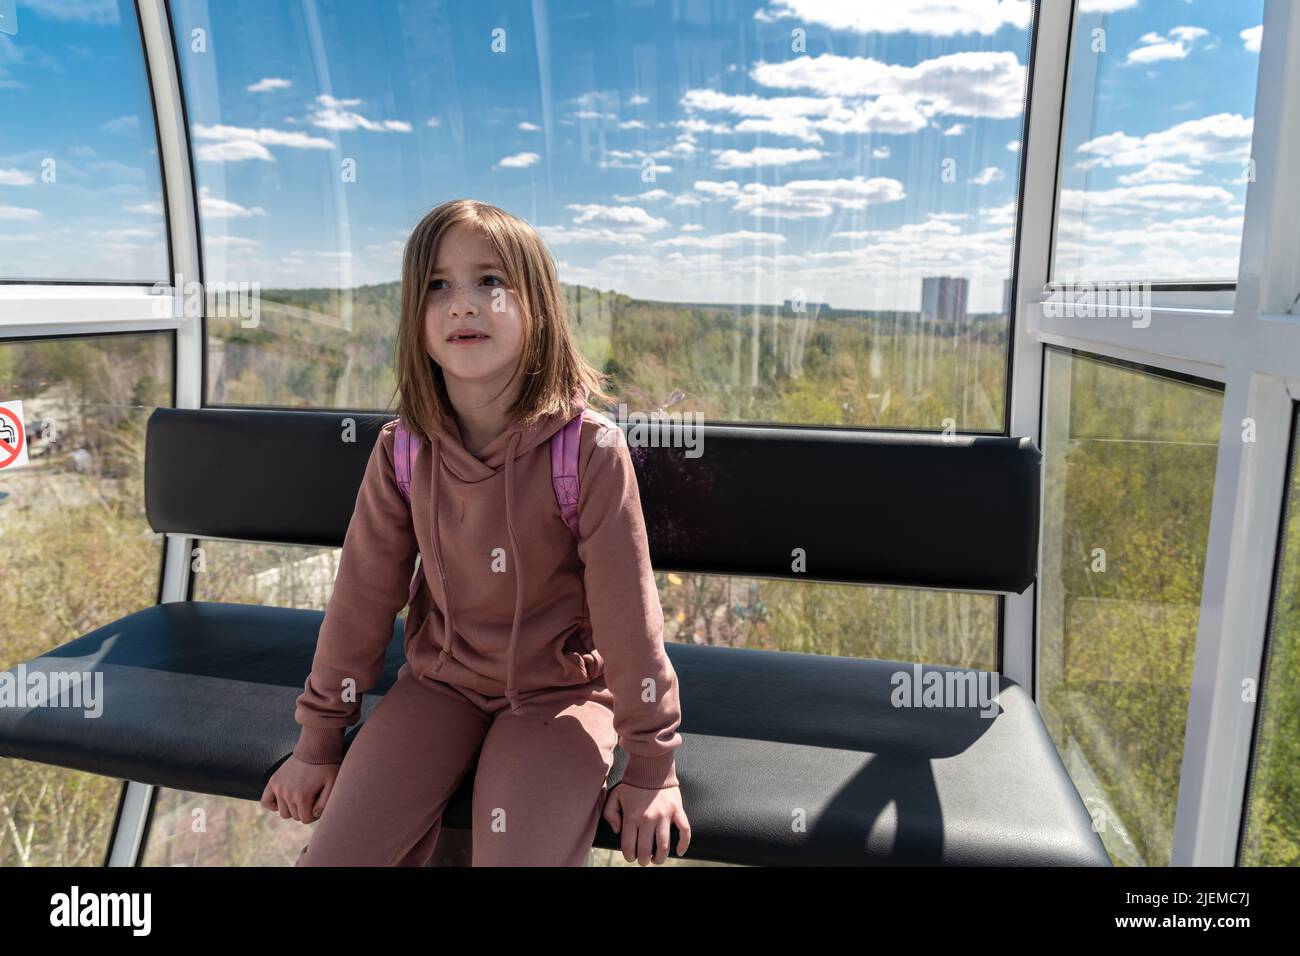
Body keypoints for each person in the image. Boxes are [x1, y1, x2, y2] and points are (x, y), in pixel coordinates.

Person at [259, 198, 690, 867]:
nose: (463, 303)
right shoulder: (404, 451)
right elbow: (362, 598)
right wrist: (318, 741)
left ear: (538, 306)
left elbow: (627, 618)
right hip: (439, 687)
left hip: (558, 698)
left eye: (490, 281)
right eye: (438, 285)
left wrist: (653, 767)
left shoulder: (587, 454)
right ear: (415, 318)